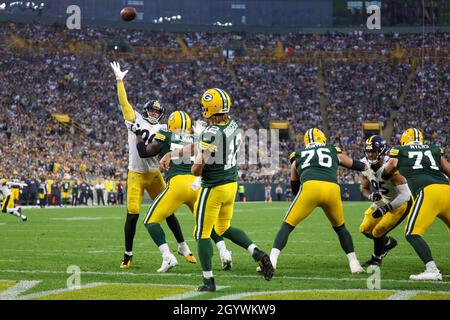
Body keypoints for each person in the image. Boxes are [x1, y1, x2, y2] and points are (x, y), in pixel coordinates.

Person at [161, 88, 273, 291]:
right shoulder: (233, 125)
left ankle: (208, 281)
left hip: (213, 187)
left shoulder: (211, 132)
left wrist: (195, 161)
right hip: (231, 185)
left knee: (201, 234)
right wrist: (174, 154)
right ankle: (257, 253)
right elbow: (201, 145)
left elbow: (196, 169)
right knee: (223, 228)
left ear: (210, 108)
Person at [111, 61, 193, 269]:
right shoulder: (136, 119)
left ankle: (183, 246)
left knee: (167, 212)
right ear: (146, 110)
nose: (154, 114)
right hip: (136, 173)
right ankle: (128, 254)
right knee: (132, 214)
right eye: (152, 111)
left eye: (158, 112)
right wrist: (120, 80)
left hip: (155, 173)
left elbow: (182, 136)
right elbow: (124, 104)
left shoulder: (166, 128)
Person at [135, 110, 232, 272]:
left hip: (178, 183)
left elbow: (146, 152)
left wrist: (137, 134)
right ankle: (224, 252)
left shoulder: (165, 133)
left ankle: (167, 257)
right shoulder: (197, 137)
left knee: (150, 221)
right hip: (197, 184)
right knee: (206, 224)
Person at [268, 128, 368, 274]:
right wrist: (368, 167)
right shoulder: (332, 149)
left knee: (287, 226)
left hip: (310, 188)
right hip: (332, 189)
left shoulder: (298, 154)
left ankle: (272, 261)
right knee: (341, 228)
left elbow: (294, 181)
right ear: (322, 139)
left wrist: (301, 200)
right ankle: (354, 264)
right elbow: (351, 163)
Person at [382, 128, 450, 281]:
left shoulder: (400, 150)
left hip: (428, 192)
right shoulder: (434, 148)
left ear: (404, 140)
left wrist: (386, 176)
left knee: (412, 233)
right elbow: (448, 170)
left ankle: (432, 269)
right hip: (447, 189)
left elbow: (389, 168)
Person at [358, 135, 412, 267]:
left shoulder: (391, 167)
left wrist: (385, 209)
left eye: (373, 151)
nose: (370, 155)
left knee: (378, 232)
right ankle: (387, 242)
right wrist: (371, 196)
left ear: (381, 151)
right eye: (368, 151)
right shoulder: (364, 165)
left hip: (400, 203)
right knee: (364, 228)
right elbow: (364, 189)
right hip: (384, 200)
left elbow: (405, 195)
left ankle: (376, 259)